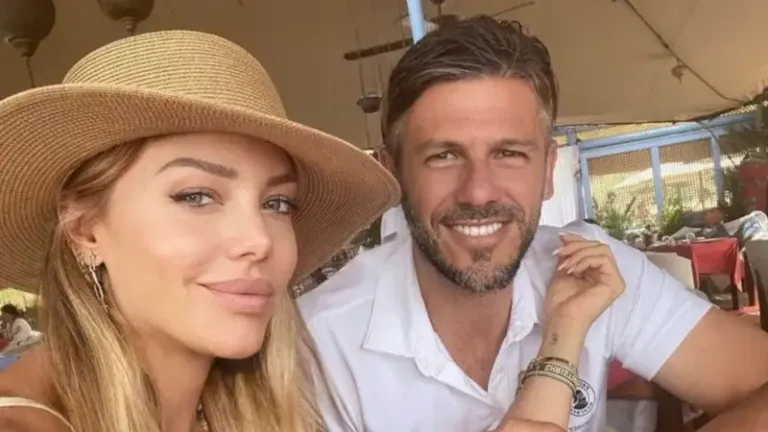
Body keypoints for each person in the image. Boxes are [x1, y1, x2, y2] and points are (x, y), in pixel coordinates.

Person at [298, 16, 768, 432]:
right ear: (393, 174)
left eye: (508, 153)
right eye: (443, 155)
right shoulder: (318, 341)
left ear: (547, 171)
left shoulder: (591, 267)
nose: (478, 192)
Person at [0, 30, 399, 431]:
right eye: (196, 196)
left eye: (277, 203)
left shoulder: (258, 410)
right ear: (85, 231)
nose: (259, 241)